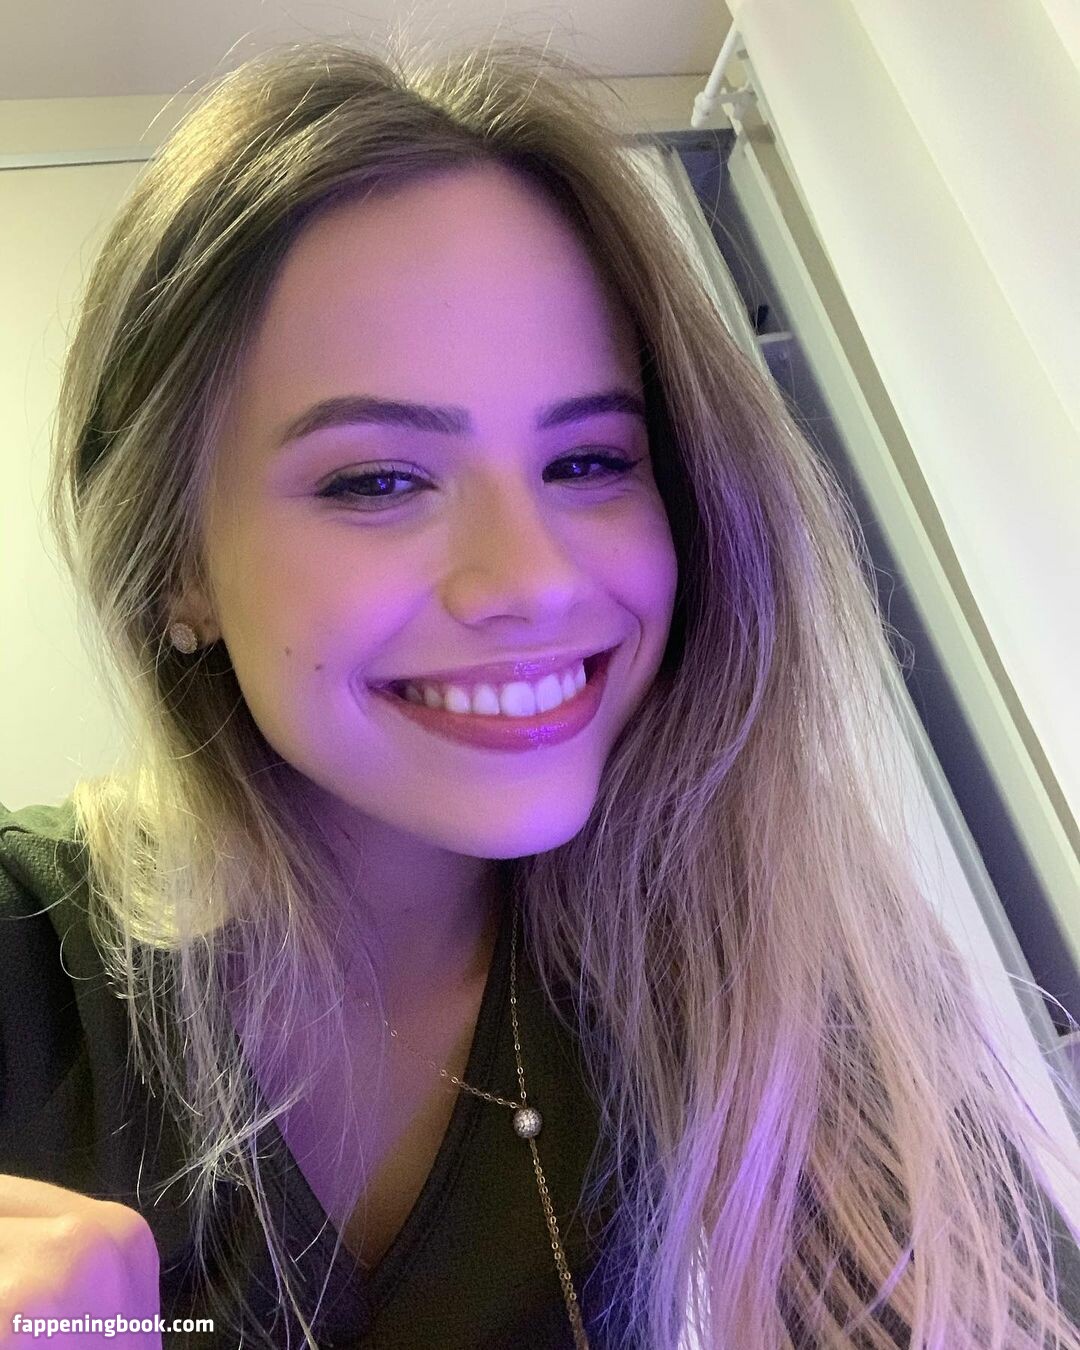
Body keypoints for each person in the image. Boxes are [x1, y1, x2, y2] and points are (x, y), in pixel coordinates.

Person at [2, 32, 1080, 1350]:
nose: (533, 578)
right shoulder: (24, 959)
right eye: (378, 480)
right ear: (180, 566)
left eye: (588, 462)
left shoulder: (795, 992)